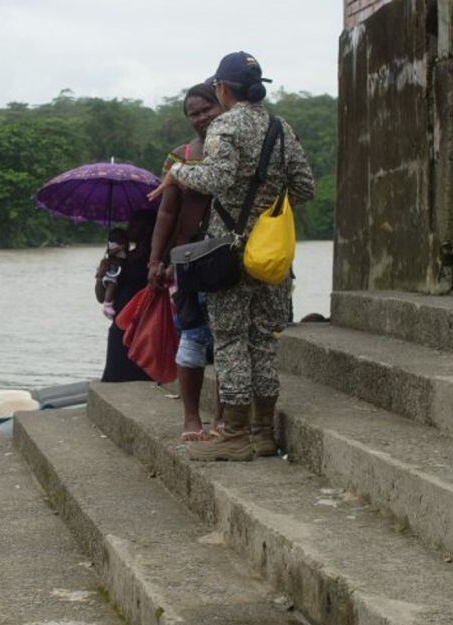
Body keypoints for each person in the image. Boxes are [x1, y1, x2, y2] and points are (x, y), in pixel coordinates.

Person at [149, 52, 315, 461]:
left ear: (223, 89)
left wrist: (179, 172)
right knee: (263, 341)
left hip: (231, 256)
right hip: (272, 255)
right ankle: (262, 434)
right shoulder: (280, 128)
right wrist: (265, 204)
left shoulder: (225, 126)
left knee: (230, 341)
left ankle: (235, 436)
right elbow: (305, 188)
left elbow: (217, 178)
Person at [146, 83, 224, 442]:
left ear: (221, 105)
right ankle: (192, 419)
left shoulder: (237, 151)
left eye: (206, 109)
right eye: (193, 113)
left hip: (231, 256)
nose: (201, 118)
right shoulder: (180, 157)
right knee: (192, 336)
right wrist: (155, 261)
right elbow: (167, 214)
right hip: (190, 260)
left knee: (228, 340)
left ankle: (225, 417)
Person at [96, 214, 155, 383]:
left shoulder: (152, 260)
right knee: (116, 372)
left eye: (135, 226)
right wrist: (101, 276)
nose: (129, 229)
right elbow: (101, 297)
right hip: (120, 323)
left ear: (147, 230)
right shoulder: (121, 258)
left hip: (142, 324)